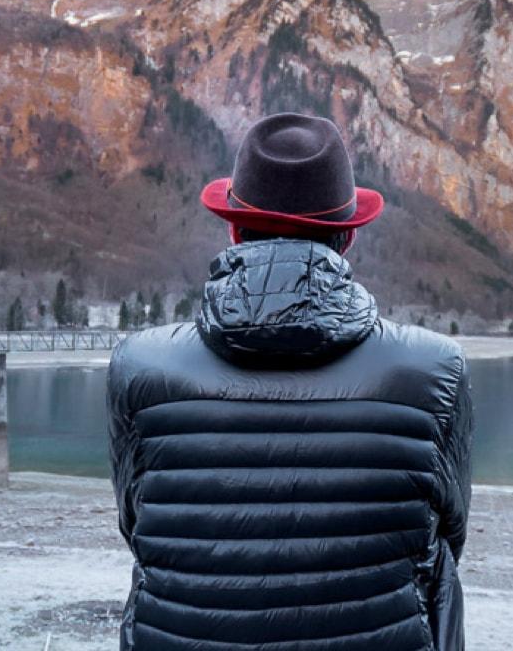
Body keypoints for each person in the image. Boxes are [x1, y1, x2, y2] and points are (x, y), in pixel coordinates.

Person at [107, 112, 474, 651]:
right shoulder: (436, 370)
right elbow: (447, 538)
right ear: (346, 236)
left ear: (234, 228)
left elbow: (138, 525)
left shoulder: (139, 365)